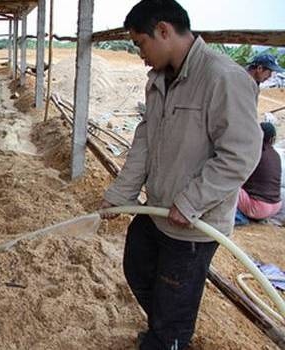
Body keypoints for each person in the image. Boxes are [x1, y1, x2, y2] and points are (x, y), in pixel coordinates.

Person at [99, 0, 262, 348]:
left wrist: (190, 201)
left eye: (140, 43)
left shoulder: (223, 78)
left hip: (194, 225)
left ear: (163, 30)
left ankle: (168, 338)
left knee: (174, 305)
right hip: (157, 208)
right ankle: (165, 330)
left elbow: (240, 155)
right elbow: (144, 141)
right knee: (138, 267)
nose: (141, 54)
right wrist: (119, 196)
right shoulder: (158, 80)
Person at [237, 122, 282, 222]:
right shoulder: (275, 155)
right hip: (276, 206)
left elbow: (237, 174)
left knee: (227, 183)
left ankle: (239, 218)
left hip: (258, 207)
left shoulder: (254, 152)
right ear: (272, 139)